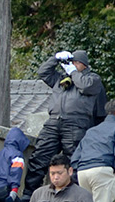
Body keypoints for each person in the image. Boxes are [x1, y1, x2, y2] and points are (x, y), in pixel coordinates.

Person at [26, 48, 106, 189]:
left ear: (83, 64)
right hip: (54, 121)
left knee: (74, 160)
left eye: (75, 62)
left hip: (76, 123)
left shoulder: (92, 79)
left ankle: (72, 194)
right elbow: (43, 73)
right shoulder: (61, 78)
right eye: (70, 62)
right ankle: (29, 195)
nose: (71, 65)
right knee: (39, 156)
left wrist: (73, 73)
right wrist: (55, 59)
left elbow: (85, 87)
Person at [70, 101, 115, 202]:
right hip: (102, 169)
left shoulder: (92, 130)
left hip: (82, 171)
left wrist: (76, 171)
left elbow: (76, 156)